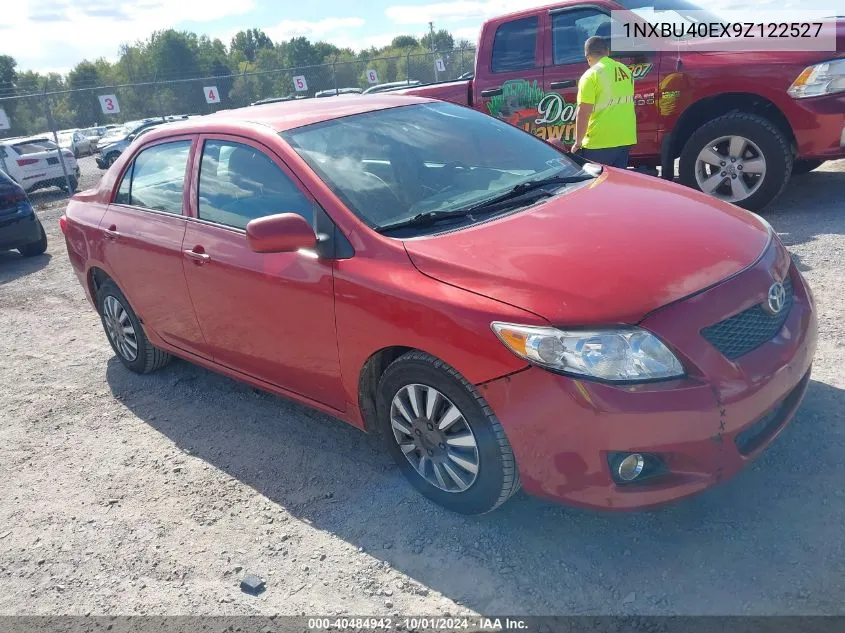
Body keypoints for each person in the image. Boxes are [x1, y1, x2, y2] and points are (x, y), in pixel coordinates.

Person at [570, 36, 636, 168]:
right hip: (626, 137)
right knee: (617, 183)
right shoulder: (625, 70)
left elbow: (583, 112)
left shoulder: (590, 76)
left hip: (600, 142)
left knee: (597, 185)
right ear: (608, 52)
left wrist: (578, 143)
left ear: (587, 57)